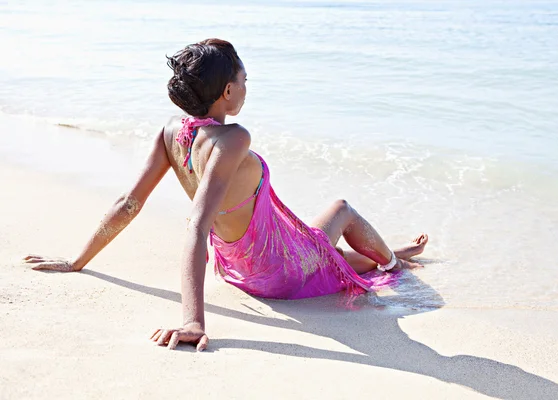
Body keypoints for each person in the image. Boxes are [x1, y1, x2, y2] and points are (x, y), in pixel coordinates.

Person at [24, 39, 429, 352]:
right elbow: (196, 226)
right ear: (227, 92)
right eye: (244, 80)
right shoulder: (233, 139)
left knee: (329, 254)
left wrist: (78, 260)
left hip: (238, 269)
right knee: (341, 209)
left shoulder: (172, 132)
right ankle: (395, 266)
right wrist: (193, 321)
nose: (247, 87)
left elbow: (128, 203)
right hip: (280, 273)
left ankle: (393, 254)